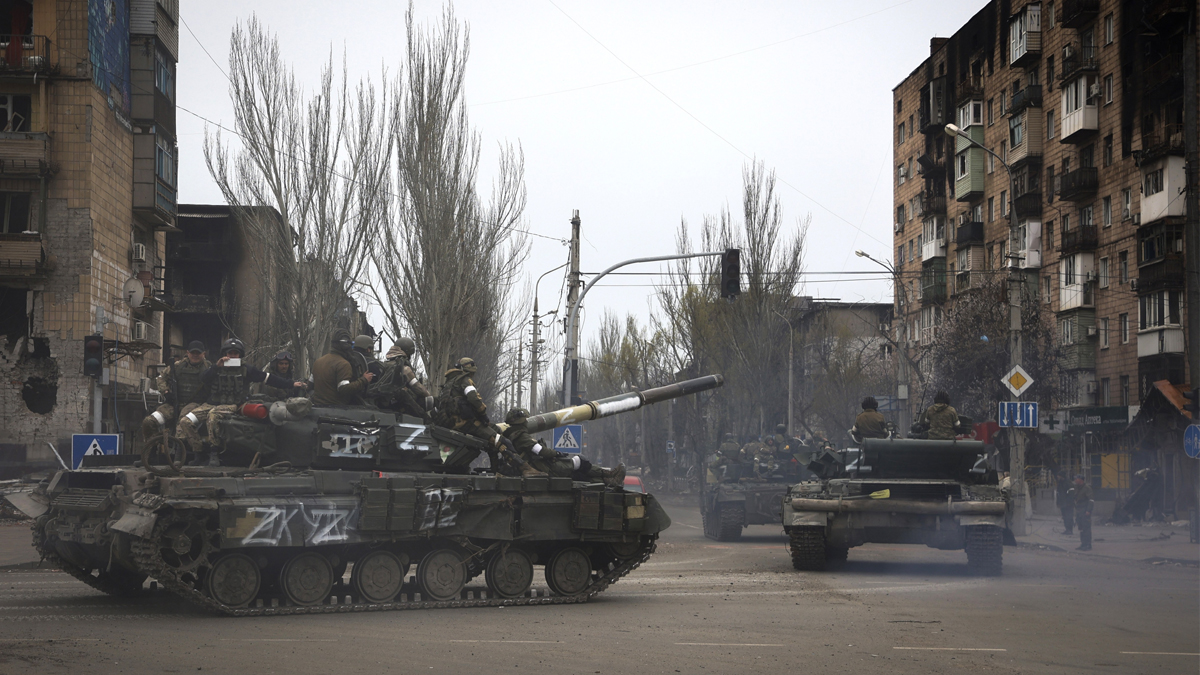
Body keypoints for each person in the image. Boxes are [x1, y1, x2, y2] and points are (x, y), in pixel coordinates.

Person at [177, 338, 306, 452]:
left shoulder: (247, 369)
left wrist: (292, 384)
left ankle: (213, 452)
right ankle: (197, 450)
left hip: (232, 404)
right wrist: (217, 367)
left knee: (213, 416)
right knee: (185, 421)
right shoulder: (216, 367)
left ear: (240, 355)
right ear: (225, 354)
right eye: (230, 353)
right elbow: (203, 378)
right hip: (211, 403)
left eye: (235, 353)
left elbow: (268, 378)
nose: (232, 356)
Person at [435, 357, 544, 476]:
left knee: (496, 431)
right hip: (464, 422)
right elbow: (473, 398)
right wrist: (483, 414)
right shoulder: (464, 380)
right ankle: (525, 468)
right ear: (469, 370)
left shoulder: (449, 384)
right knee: (501, 441)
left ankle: (497, 469)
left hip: (455, 421)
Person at [502, 408, 624, 486]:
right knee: (580, 462)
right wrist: (557, 453)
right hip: (545, 467)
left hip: (541, 467)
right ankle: (609, 475)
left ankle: (609, 480)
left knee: (579, 477)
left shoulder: (512, 436)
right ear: (521, 422)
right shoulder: (521, 437)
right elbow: (540, 451)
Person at [140, 341, 210, 443]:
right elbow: (161, 378)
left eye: (198, 353)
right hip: (174, 404)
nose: (195, 355)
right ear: (187, 353)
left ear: (204, 354)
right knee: (149, 422)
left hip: (196, 405)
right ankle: (152, 450)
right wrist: (166, 392)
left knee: (182, 425)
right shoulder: (177, 366)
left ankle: (179, 455)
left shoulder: (209, 369)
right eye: (192, 353)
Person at [367, 337, 434, 420]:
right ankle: (428, 421)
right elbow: (419, 389)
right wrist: (430, 398)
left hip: (384, 404)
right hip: (401, 404)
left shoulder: (384, 365)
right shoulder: (404, 368)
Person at [311, 328, 375, 406]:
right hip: (336, 407)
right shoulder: (343, 364)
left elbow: (310, 385)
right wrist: (364, 380)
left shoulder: (318, 362)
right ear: (346, 345)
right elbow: (344, 389)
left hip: (317, 406)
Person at [1070, 474, 1094, 551]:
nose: (1075, 480)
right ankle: (1083, 544)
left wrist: (1088, 510)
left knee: (1086, 528)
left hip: (1085, 510)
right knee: (1081, 528)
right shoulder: (1076, 487)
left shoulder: (1087, 488)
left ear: (1081, 480)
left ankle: (1088, 544)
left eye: (1076, 479)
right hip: (1079, 510)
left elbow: (1091, 500)